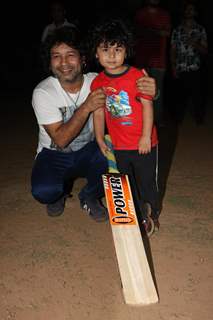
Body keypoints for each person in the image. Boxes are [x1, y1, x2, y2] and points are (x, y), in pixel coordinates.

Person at [31, 26, 157, 222]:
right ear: (50, 62)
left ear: (83, 59)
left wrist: (153, 91)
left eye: (70, 55)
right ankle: (58, 195)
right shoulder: (43, 92)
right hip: (54, 154)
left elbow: (131, 89)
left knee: (114, 159)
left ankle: (89, 196)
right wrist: (87, 106)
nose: (64, 62)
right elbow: (61, 140)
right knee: (44, 191)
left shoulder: (96, 81)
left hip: (88, 151)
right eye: (56, 56)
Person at [89, 18, 160, 234]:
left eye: (117, 49)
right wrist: (100, 138)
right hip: (119, 145)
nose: (111, 56)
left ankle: (152, 215)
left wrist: (145, 136)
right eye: (105, 49)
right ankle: (137, 214)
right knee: (126, 183)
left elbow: (147, 106)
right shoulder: (98, 82)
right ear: (96, 53)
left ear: (126, 51)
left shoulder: (137, 76)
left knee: (147, 182)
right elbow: (99, 112)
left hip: (144, 143)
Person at [134, 0, 171, 126]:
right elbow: (135, 33)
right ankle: (141, 120)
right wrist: (156, 31)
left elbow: (167, 32)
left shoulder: (165, 14)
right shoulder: (139, 13)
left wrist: (150, 30)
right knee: (140, 91)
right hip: (141, 60)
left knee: (157, 93)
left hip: (159, 61)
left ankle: (156, 122)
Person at [170, 2, 208, 125]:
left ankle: (199, 120)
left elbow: (205, 51)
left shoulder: (200, 30)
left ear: (195, 13)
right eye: (187, 9)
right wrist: (173, 67)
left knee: (198, 96)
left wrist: (195, 43)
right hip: (180, 67)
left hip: (195, 68)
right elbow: (173, 49)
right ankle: (177, 120)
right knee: (179, 97)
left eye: (192, 9)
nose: (189, 11)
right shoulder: (177, 30)